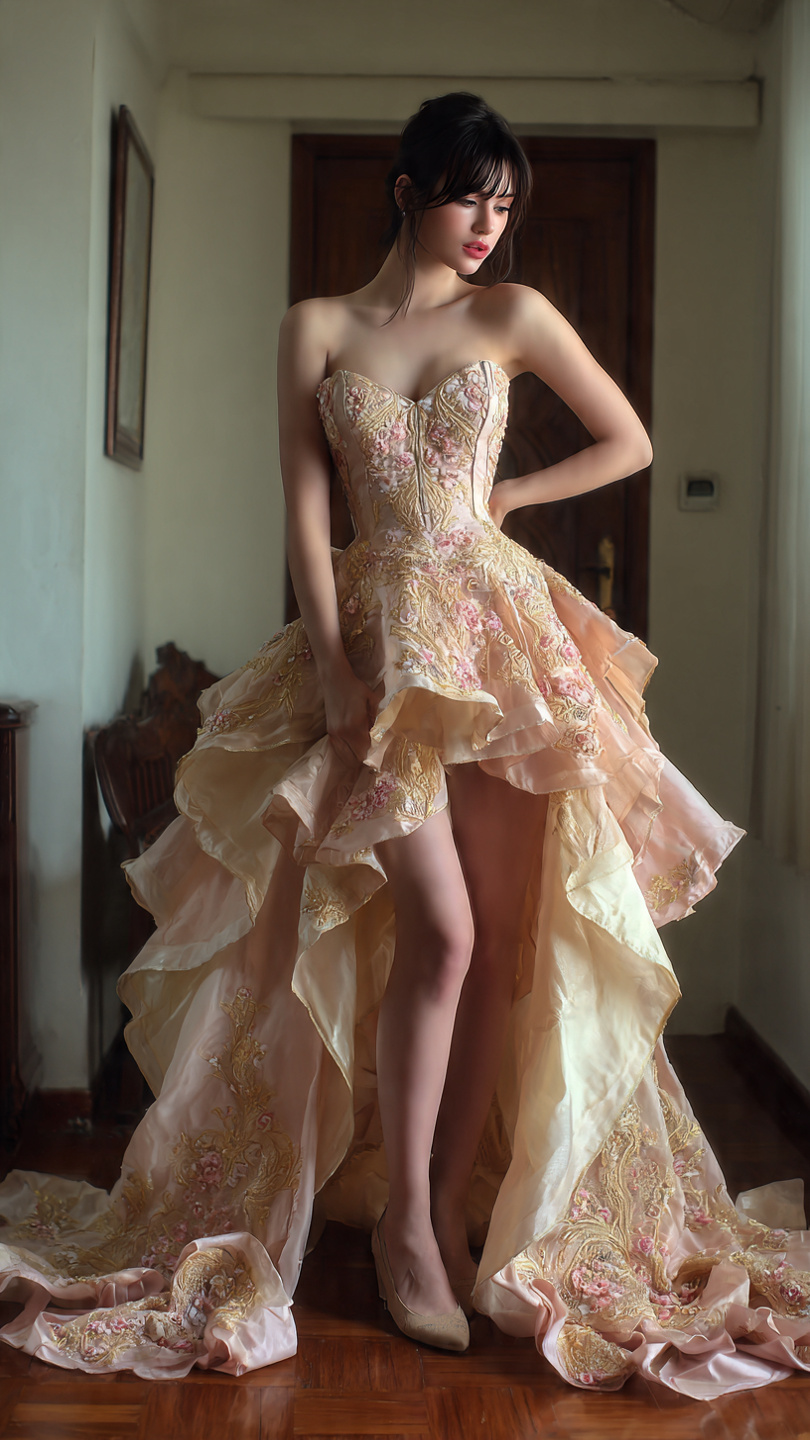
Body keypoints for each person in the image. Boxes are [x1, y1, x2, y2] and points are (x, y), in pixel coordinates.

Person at [0, 92, 808, 1398]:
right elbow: (304, 513)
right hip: (377, 651)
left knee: (495, 941)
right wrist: (331, 665)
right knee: (438, 927)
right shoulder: (315, 329)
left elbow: (629, 440)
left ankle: (427, 1209)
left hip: (496, 643)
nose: (489, 222)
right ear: (407, 188)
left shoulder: (514, 313)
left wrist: (507, 496)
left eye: (505, 202)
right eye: (469, 195)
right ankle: (409, 1233)